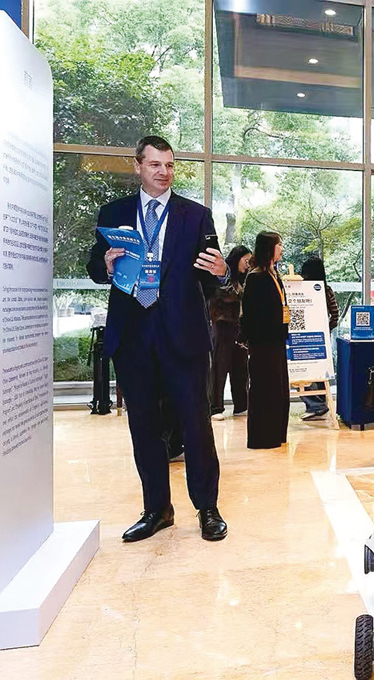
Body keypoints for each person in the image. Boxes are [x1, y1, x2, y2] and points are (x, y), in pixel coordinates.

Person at [86, 135, 229, 542]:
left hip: (183, 336)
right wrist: (106, 265)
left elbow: (211, 276)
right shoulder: (114, 213)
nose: (163, 172)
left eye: (169, 165)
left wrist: (221, 272)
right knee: (144, 427)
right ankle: (157, 509)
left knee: (196, 424)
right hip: (133, 336)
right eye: (154, 165)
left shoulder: (196, 216)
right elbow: (94, 266)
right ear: (138, 166)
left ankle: (207, 508)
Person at [241, 232, 291, 450]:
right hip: (262, 344)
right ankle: (262, 437)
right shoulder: (256, 277)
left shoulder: (274, 274)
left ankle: (277, 434)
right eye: (278, 245)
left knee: (278, 390)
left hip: (277, 341)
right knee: (264, 390)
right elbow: (250, 314)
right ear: (268, 248)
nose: (281, 248)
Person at [209, 245, 251, 420]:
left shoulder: (245, 279)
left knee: (241, 367)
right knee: (219, 367)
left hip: (239, 328)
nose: (248, 264)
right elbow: (227, 296)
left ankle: (242, 405)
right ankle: (215, 407)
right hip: (223, 325)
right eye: (246, 260)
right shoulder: (222, 276)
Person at [299, 256, 339, 420]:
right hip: (321, 336)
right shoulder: (326, 289)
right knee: (321, 371)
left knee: (304, 371)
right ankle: (321, 402)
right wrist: (327, 329)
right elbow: (335, 313)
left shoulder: (302, 289)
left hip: (303, 337)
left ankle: (315, 405)